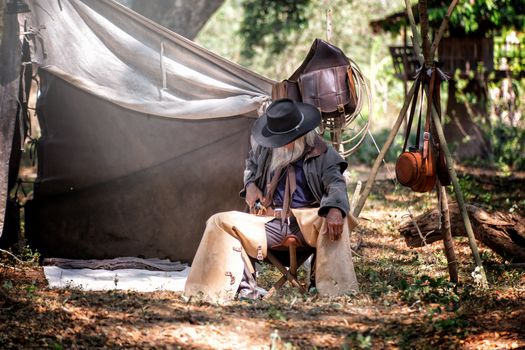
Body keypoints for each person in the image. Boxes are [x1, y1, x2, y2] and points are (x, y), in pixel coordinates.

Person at [184, 98, 359, 303]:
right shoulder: (266, 149)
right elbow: (251, 165)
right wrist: (250, 185)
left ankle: (333, 291)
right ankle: (216, 290)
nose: (282, 145)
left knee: (337, 216)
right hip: (267, 222)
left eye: (287, 138)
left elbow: (336, 183)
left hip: (306, 223)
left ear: (302, 134)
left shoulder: (323, 154)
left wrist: (335, 209)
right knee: (219, 221)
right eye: (279, 139)